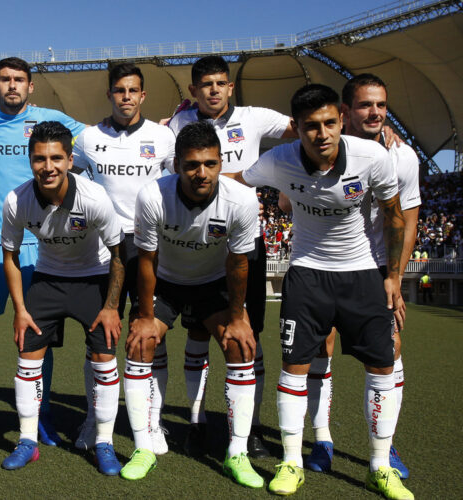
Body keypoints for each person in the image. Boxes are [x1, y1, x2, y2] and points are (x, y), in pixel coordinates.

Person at [227, 84, 412, 498]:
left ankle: (380, 466)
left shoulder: (373, 158)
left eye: (330, 123)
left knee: (382, 366)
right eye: (311, 126)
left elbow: (394, 217)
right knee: (294, 366)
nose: (322, 134)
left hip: (363, 274)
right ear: (298, 129)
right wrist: (188, 172)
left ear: (342, 120)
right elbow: (237, 180)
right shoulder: (279, 160)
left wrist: (393, 276)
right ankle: (292, 461)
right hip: (307, 275)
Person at [166, 56, 296, 457]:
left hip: (244, 241)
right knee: (199, 332)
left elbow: (304, 127)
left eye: (221, 83)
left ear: (231, 87)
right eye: (206, 84)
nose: (214, 90)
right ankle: (197, 421)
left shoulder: (256, 118)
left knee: (248, 335)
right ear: (193, 91)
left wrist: (287, 180)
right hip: (197, 242)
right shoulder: (176, 125)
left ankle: (250, 427)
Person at [123, 121, 261, 485]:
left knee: (240, 345)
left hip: (211, 283)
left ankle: (238, 453)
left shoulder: (242, 199)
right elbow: (147, 260)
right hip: (166, 281)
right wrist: (147, 316)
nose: (202, 173)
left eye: (210, 164)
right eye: (192, 165)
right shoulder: (152, 195)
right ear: (176, 166)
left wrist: (237, 317)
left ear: (220, 162)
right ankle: (144, 446)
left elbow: (239, 263)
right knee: (141, 342)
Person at [299, 74, 421, 479]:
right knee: (321, 346)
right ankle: (322, 440)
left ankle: (386, 448)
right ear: (346, 112)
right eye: (367, 105)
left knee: (390, 349)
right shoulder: (321, 144)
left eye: (382, 106)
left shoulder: (402, 157)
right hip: (326, 266)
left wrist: (396, 279)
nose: (376, 113)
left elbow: (406, 220)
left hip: (376, 271)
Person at [0, 57, 86, 445]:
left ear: (31, 86)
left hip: (43, 248)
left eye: (19, 80)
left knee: (38, 334)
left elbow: (101, 140)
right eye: (4, 80)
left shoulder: (53, 121)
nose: (12, 86)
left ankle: (40, 413)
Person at [0, 121, 125, 475]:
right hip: (48, 279)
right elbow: (10, 256)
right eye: (40, 158)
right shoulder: (17, 200)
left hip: (93, 278)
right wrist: (20, 310)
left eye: (56, 157)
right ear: (30, 160)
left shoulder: (94, 197)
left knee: (104, 360)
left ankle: (104, 442)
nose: (48, 166)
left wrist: (112, 307)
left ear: (70, 160)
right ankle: (27, 441)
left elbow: (119, 253)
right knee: (27, 358)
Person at [71, 62, 175, 454]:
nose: (126, 97)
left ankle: (152, 421)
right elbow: (73, 183)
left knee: (149, 334)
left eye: (133, 90)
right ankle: (93, 420)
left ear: (143, 95)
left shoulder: (162, 137)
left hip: (151, 246)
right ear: (110, 94)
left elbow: (177, 183)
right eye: (119, 90)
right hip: (104, 248)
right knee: (101, 338)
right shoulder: (88, 137)